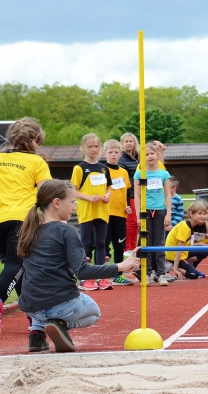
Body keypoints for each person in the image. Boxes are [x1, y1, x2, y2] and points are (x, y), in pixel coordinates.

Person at [17, 180, 140, 352]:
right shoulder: (67, 231)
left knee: (46, 298)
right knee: (94, 312)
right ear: (57, 203)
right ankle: (59, 325)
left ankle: (37, 333)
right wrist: (120, 266)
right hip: (60, 304)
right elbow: (82, 271)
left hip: (30, 307)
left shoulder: (29, 230)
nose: (74, 208)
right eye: (73, 202)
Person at [0, 118, 52, 339]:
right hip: (21, 219)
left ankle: (33, 316)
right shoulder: (37, 162)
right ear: (35, 140)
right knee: (17, 263)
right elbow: (46, 193)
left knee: (22, 267)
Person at [71, 133, 113, 291]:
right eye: (90, 146)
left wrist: (107, 196)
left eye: (96, 146)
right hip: (87, 210)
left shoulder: (104, 168)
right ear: (83, 148)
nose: (94, 149)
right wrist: (89, 197)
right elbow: (73, 191)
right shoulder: (79, 168)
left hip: (102, 210)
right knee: (86, 243)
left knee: (101, 243)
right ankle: (86, 278)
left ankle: (102, 278)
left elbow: (109, 188)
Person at [134, 142, 172, 286]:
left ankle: (162, 274)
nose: (149, 156)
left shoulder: (164, 174)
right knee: (146, 243)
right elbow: (137, 196)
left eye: (152, 153)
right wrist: (138, 215)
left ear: (157, 155)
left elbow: (168, 195)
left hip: (160, 210)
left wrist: (168, 214)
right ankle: (148, 273)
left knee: (159, 242)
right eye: (146, 154)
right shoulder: (139, 174)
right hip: (145, 211)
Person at [102, 139, 133, 286]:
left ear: (121, 154)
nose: (113, 155)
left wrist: (127, 206)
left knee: (119, 245)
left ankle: (118, 275)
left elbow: (126, 192)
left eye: (116, 152)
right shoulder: (101, 170)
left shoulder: (124, 172)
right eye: (110, 152)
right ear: (105, 153)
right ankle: (100, 276)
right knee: (103, 244)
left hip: (120, 214)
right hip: (105, 213)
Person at [165, 201, 208, 280]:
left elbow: (189, 245)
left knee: (204, 251)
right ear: (191, 213)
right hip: (174, 254)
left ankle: (185, 265)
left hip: (183, 252)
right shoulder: (185, 227)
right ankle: (170, 267)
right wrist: (176, 269)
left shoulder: (191, 225)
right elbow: (179, 249)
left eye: (205, 213)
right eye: (200, 214)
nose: (203, 216)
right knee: (194, 274)